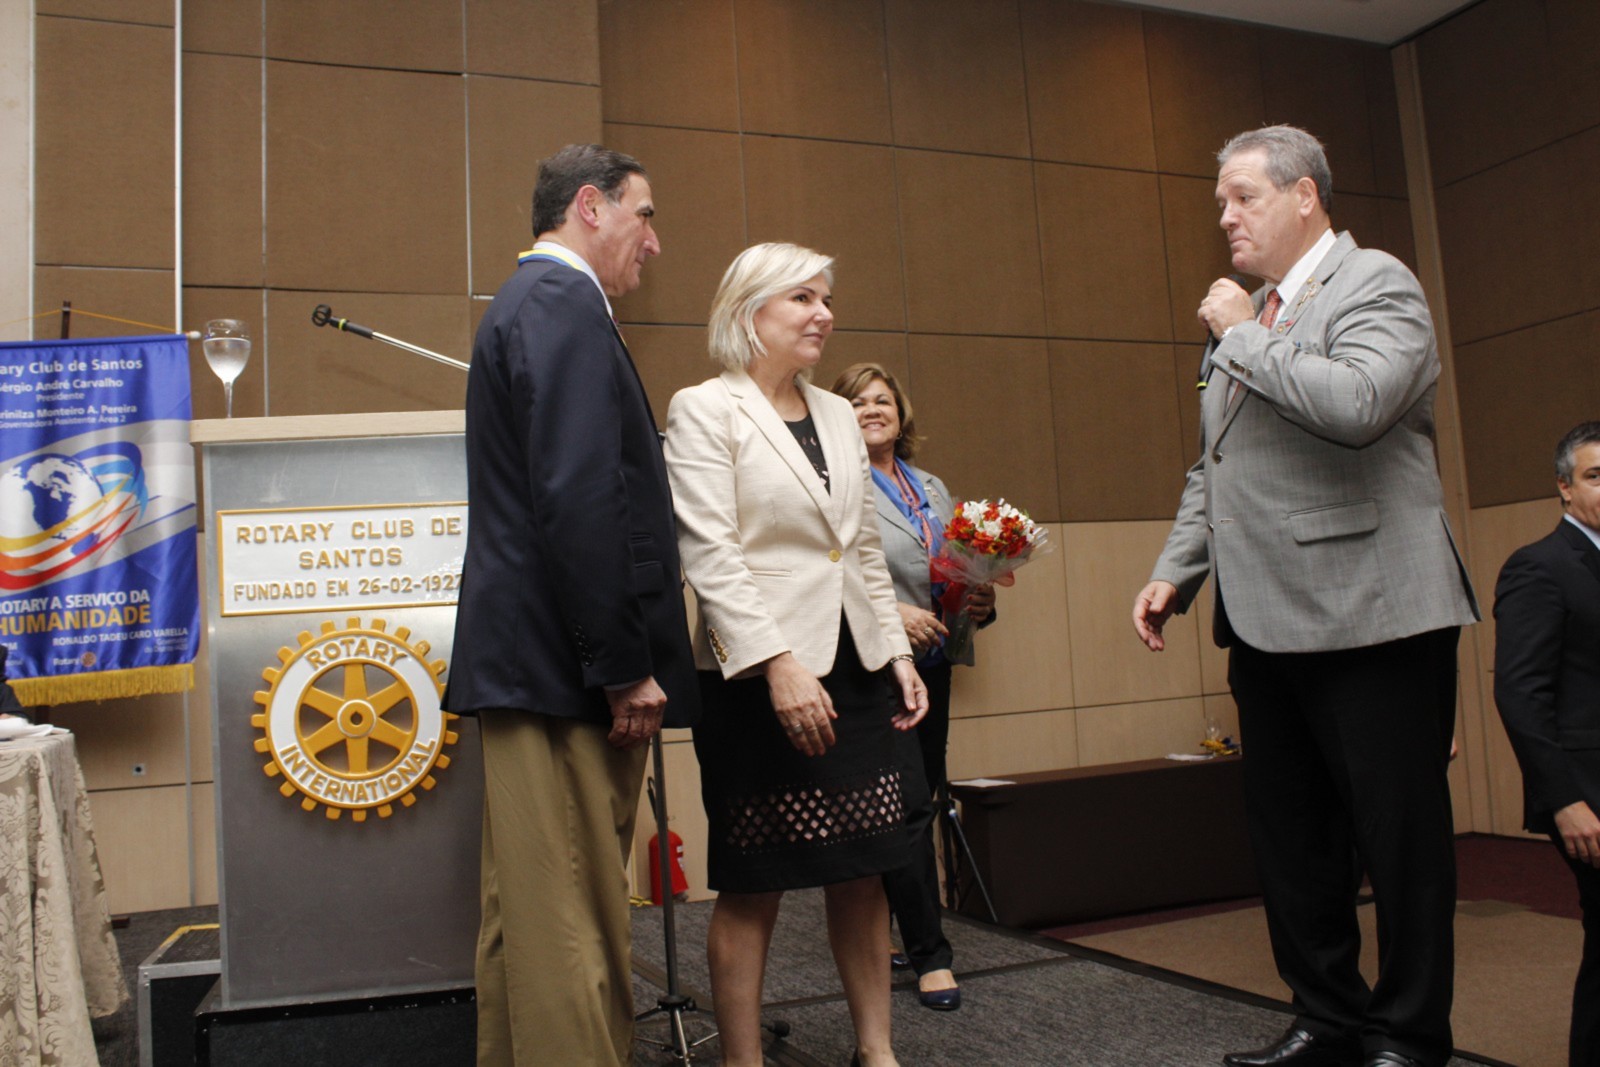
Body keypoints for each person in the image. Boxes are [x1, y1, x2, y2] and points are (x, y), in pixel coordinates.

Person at [1130, 125, 1478, 1067]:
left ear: (1305, 195)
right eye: (1220, 202)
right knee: (1293, 842)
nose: (1225, 216)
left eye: (1242, 196)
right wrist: (1176, 570)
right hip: (1263, 619)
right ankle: (1327, 1017)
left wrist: (1242, 334)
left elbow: (1357, 404)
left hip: (1374, 613)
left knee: (1398, 843)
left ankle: (1408, 1036)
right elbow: (1217, 464)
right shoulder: (1250, 315)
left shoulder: (1377, 284)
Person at [443, 143, 699, 1067]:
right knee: (574, 923)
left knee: (528, 917)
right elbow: (582, 498)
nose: (654, 242)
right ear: (590, 206)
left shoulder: (533, 303)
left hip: (538, 666)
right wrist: (623, 664)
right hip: (567, 672)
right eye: (645, 215)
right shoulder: (560, 304)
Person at [665, 243, 929, 1067]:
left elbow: (861, 549)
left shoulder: (840, 414)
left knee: (866, 866)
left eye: (827, 298)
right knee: (756, 876)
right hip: (758, 676)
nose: (824, 314)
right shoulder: (704, 408)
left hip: (855, 669)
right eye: (803, 299)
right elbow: (710, 554)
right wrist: (778, 663)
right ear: (750, 312)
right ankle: (742, 1060)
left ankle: (876, 1050)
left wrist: (896, 653)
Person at [830, 362, 995, 1012]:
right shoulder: (835, 482)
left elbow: (956, 567)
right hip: (873, 667)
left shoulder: (931, 486)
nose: (873, 409)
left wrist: (980, 600)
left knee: (918, 795)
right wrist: (891, 611)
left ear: (901, 413)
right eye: (857, 401)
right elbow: (829, 572)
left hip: (935, 663)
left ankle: (896, 931)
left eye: (883, 399)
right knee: (905, 808)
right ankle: (932, 955)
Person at [1492, 420, 1600, 1067]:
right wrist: (1562, 800)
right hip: (1587, 791)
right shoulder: (1539, 566)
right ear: (1564, 487)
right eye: (1595, 475)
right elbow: (1519, 693)